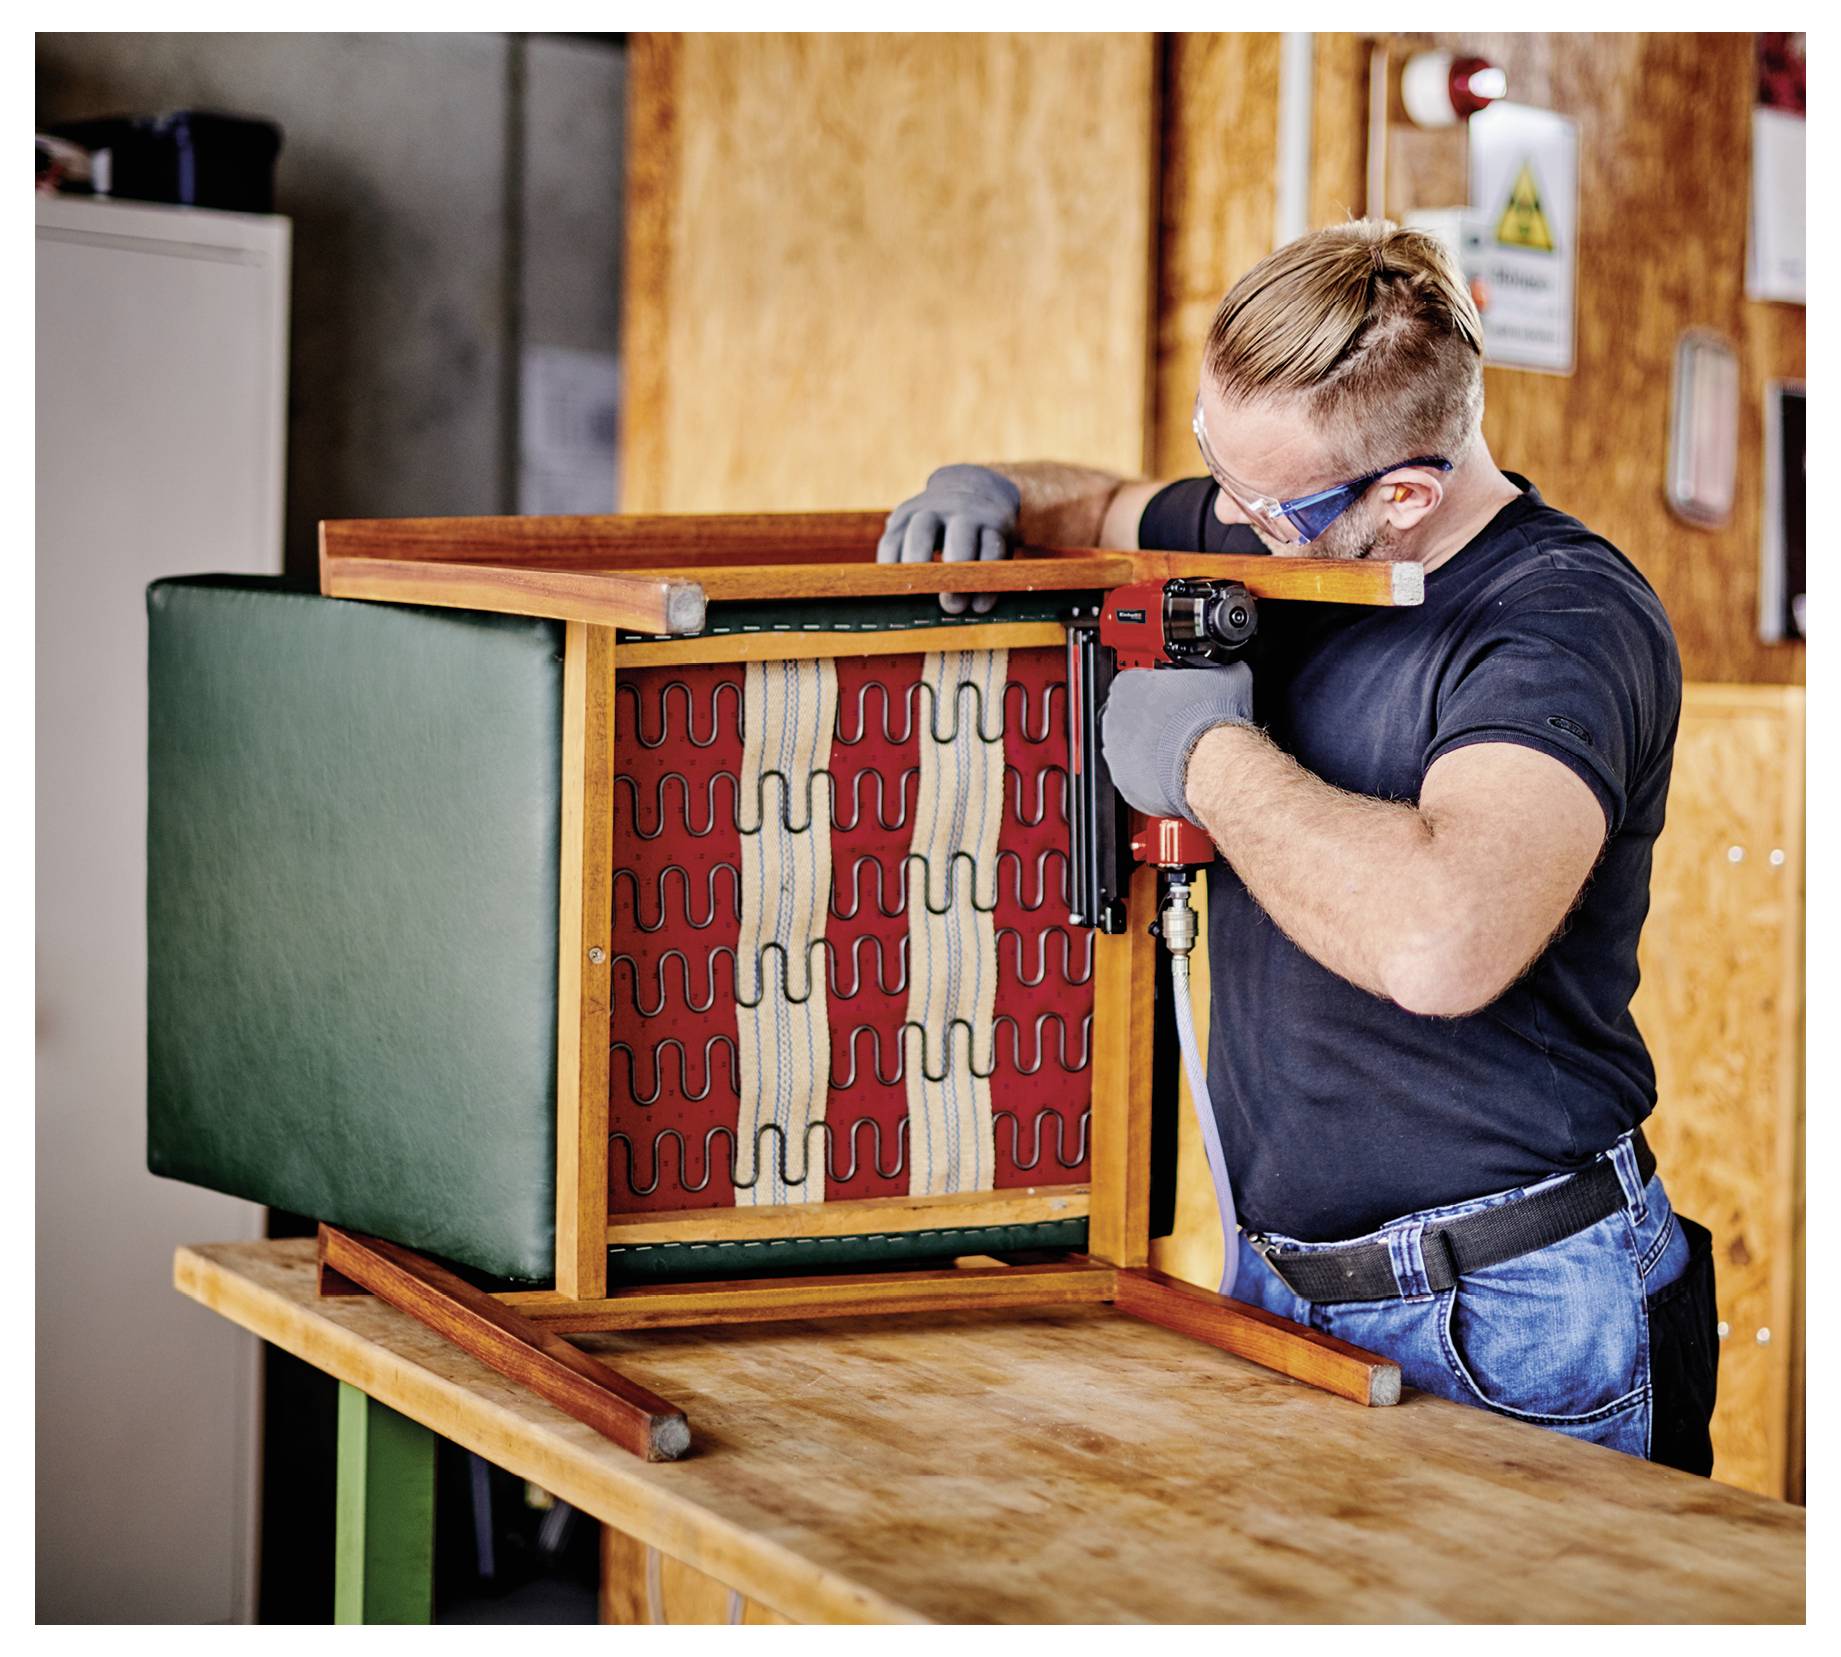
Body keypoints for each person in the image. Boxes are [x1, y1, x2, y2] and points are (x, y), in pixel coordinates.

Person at [874, 219, 1720, 1473]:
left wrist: (1206, 759)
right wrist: (986, 487)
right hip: (1279, 1286)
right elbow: (1095, 501)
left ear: (1404, 495)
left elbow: (1442, 941)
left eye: (1264, 502)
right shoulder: (1277, 518)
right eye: (1213, 459)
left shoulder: (1560, 621)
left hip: (1509, 1313)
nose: (1225, 514)